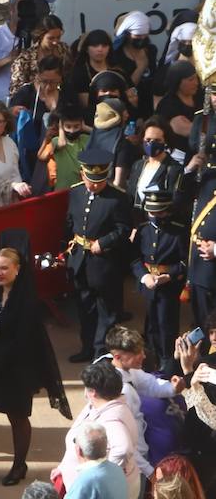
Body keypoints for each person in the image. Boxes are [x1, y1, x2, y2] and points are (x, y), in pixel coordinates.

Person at [0, 233, 68, 486]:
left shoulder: (27, 301)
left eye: (5, 268)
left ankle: (19, 465)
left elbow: (22, 340)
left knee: (17, 417)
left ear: (17, 270)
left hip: (16, 368)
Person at [65, 144, 134, 363]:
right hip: (80, 261)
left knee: (106, 312)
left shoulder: (118, 198)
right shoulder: (76, 192)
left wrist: (103, 243)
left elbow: (123, 229)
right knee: (85, 308)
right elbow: (70, 222)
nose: (94, 186)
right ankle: (87, 347)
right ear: (82, 174)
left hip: (105, 263)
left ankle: (100, 353)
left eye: (99, 181)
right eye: (90, 180)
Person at [133, 190, 188, 375]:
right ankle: (152, 357)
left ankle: (168, 360)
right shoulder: (143, 230)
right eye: (151, 212)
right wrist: (143, 276)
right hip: (149, 284)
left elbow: (185, 261)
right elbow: (134, 259)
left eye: (159, 212)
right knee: (151, 323)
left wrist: (170, 275)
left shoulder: (178, 232)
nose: (155, 216)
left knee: (167, 324)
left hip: (169, 286)